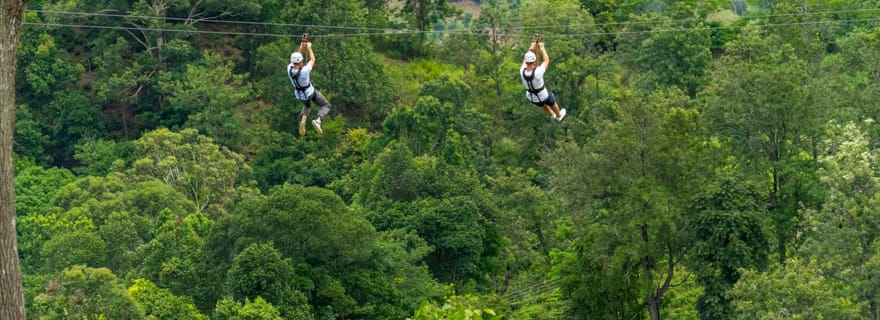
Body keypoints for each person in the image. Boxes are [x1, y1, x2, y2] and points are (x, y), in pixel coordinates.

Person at [288, 39, 331, 135]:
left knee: (307, 105)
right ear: (300, 62)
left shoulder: (289, 69)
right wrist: (309, 48)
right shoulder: (305, 71)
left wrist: (301, 47)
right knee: (326, 105)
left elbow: (296, 57)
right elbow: (313, 59)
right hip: (310, 92)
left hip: (300, 95)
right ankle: (318, 120)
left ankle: (303, 120)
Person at [520, 41, 566, 122]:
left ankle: (552, 114)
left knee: (542, 104)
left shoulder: (522, 71)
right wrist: (542, 48)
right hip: (542, 95)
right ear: (534, 61)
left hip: (531, 97)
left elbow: (525, 60)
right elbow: (546, 61)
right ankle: (559, 115)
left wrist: (531, 48)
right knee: (550, 99)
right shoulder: (537, 72)